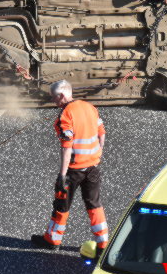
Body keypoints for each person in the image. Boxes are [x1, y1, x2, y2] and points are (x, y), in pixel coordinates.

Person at [31, 80, 109, 253]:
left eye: (54, 98)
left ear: (62, 95)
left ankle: (52, 240)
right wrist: (97, 156)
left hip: (74, 170)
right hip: (93, 167)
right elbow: (101, 134)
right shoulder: (90, 107)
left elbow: (66, 147)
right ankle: (103, 244)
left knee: (62, 204)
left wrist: (62, 175)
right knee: (94, 205)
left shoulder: (65, 115)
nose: (53, 101)